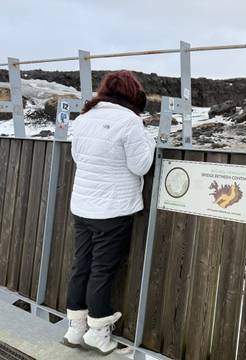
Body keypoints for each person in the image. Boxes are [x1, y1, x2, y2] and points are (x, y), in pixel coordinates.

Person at [62, 70, 155, 355]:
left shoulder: (84, 118)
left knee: (82, 266)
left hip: (83, 206)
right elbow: (140, 166)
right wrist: (150, 142)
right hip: (112, 210)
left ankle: (75, 328)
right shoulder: (130, 122)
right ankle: (98, 333)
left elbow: (78, 156)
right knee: (102, 270)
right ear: (131, 94)